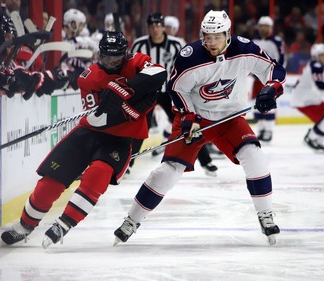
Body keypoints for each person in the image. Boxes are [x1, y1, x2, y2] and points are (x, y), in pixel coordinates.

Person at [114, 10, 286, 246]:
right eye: (207, 36)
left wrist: (271, 88)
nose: (211, 42)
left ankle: (265, 215)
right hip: (197, 118)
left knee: (255, 158)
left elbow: (274, 70)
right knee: (167, 172)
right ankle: (131, 220)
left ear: (228, 34)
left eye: (216, 36)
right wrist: (188, 116)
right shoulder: (190, 56)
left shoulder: (245, 49)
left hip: (230, 119)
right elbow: (176, 89)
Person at [0, 31, 167, 248]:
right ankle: (24, 226)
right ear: (100, 55)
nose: (112, 63)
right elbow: (97, 121)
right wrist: (123, 108)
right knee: (50, 181)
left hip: (120, 140)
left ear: (125, 55)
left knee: (97, 174)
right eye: (107, 58)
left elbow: (159, 72)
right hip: (89, 133)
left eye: (116, 59)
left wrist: (124, 90)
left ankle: (65, 223)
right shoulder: (88, 77)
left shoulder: (136, 62)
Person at [128, 12, 217, 176]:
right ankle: (128, 164)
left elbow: (188, 64)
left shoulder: (177, 44)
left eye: (158, 26)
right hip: (147, 93)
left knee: (188, 122)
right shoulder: (140, 44)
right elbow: (131, 67)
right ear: (148, 28)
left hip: (170, 92)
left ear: (163, 27)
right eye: (152, 26)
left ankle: (206, 161)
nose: (155, 29)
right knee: (141, 127)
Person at [251, 16, 285, 142]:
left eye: (266, 26)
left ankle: (269, 130)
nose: (264, 28)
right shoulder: (254, 41)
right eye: (261, 25)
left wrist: (277, 75)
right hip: (256, 78)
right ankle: (260, 130)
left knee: (269, 101)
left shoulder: (277, 41)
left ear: (271, 28)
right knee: (256, 102)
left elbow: (281, 59)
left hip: (270, 78)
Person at [290, 43, 324, 151]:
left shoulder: (316, 65)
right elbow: (320, 87)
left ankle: (318, 140)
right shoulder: (316, 66)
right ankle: (311, 137)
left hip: (308, 99)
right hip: (305, 100)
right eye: (322, 55)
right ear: (316, 56)